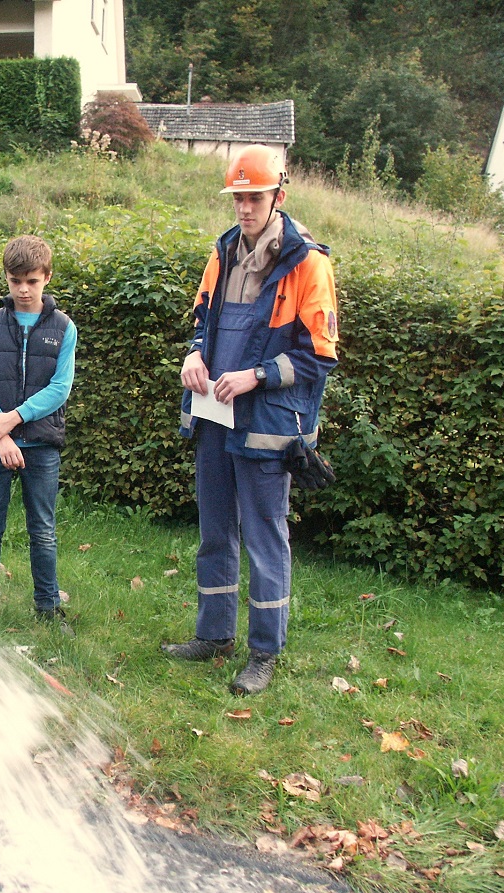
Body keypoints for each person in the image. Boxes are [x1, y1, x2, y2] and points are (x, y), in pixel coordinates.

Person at [166, 144, 339, 695]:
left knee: (266, 538)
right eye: (237, 198)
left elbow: (319, 354)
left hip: (267, 422)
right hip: (216, 416)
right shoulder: (221, 253)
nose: (244, 208)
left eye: (254, 197)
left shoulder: (309, 263)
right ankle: (213, 636)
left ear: (278, 197)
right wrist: (195, 355)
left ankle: (264, 652)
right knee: (215, 530)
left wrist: (257, 376)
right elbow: (202, 319)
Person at [0, 235, 77, 627]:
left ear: (46, 277)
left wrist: (15, 418)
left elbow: (60, 388)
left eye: (32, 280)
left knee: (43, 530)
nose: (23, 289)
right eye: (16, 280)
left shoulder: (64, 327)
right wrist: (3, 434)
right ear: (7, 278)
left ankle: (47, 607)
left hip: (42, 447)